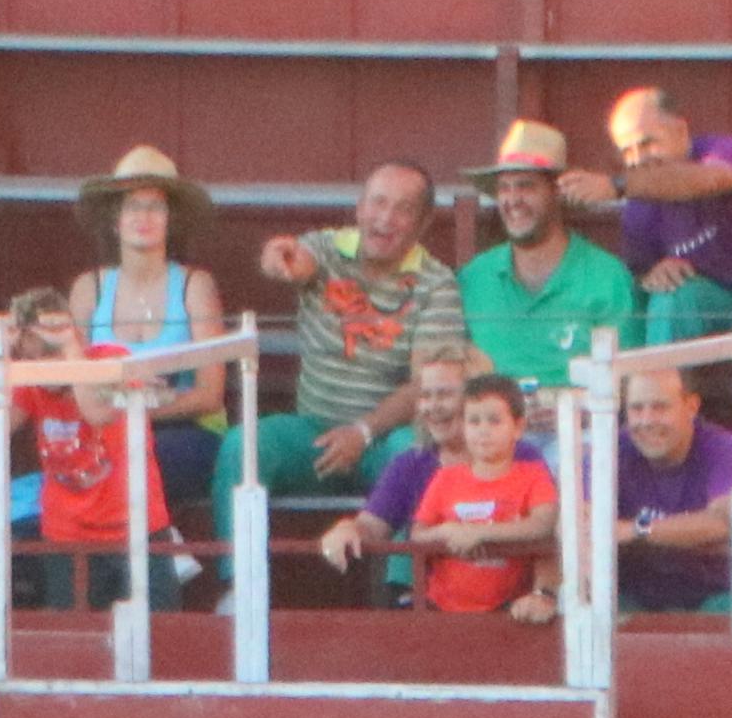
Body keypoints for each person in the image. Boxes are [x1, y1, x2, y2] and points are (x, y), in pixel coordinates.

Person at [560, 89, 732, 474]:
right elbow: (641, 269)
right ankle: (661, 430)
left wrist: (619, 185)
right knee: (674, 296)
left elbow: (714, 181)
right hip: (722, 297)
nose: (640, 158)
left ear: (681, 130)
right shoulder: (642, 209)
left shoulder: (726, 151)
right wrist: (652, 272)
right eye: (628, 151)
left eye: (648, 141)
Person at [234, 160, 462, 507]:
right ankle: (238, 565)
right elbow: (298, 261)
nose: (385, 219)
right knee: (242, 446)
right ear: (359, 208)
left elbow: (426, 382)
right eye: (378, 202)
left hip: (383, 440)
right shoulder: (327, 251)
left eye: (403, 209)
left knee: (413, 455)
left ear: (423, 223)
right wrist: (278, 258)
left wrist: (363, 431)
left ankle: (403, 564)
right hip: (313, 433)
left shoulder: (436, 283)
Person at [66, 143, 229, 543]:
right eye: (132, 206)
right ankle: (159, 550)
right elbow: (73, 385)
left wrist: (141, 407)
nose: (144, 216)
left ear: (171, 220)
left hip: (185, 430)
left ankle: (154, 552)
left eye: (155, 206)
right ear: (114, 219)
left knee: (141, 458)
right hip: (106, 432)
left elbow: (210, 394)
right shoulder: (89, 288)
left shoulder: (195, 285)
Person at [5, 288, 184, 613]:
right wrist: (0, 357)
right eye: (33, 358)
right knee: (76, 645)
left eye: (51, 354)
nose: (44, 370)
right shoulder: (28, 378)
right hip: (68, 536)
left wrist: (71, 350)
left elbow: (98, 413)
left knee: (160, 635)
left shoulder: (110, 359)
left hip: (137, 527)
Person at [459, 119, 640, 399]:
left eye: (526, 186)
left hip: (579, 433)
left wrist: (565, 405)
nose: (512, 199)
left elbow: (628, 379)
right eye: (504, 188)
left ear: (558, 192)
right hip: (491, 432)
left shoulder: (607, 276)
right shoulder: (473, 277)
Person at [312, 344, 473, 602]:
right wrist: (346, 528)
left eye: (444, 395)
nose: (432, 406)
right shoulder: (412, 464)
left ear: (476, 398)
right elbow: (371, 527)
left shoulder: (520, 458)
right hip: (428, 610)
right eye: (425, 396)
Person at [405, 372, 560, 623]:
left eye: (494, 421)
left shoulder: (534, 475)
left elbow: (544, 524)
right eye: (474, 422)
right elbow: (418, 533)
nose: (483, 431)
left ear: (518, 427)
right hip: (442, 608)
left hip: (509, 609)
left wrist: (480, 533)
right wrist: (449, 529)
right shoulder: (445, 478)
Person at [610, 360, 732, 616]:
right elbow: (580, 519)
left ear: (691, 406)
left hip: (712, 593)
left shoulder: (725, 448)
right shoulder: (608, 449)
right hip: (633, 595)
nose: (647, 420)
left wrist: (637, 530)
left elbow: (723, 522)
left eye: (660, 407)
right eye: (636, 409)